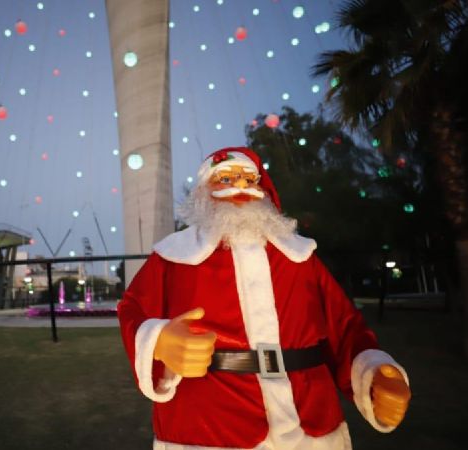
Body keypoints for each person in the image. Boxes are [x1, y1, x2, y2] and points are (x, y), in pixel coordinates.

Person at [117, 147, 411, 449]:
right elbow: (133, 308)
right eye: (226, 178)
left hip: (310, 422)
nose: (240, 185)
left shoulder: (299, 254)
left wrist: (374, 373)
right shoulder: (173, 255)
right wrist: (160, 341)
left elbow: (344, 326)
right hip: (211, 425)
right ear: (203, 193)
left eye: (249, 178)